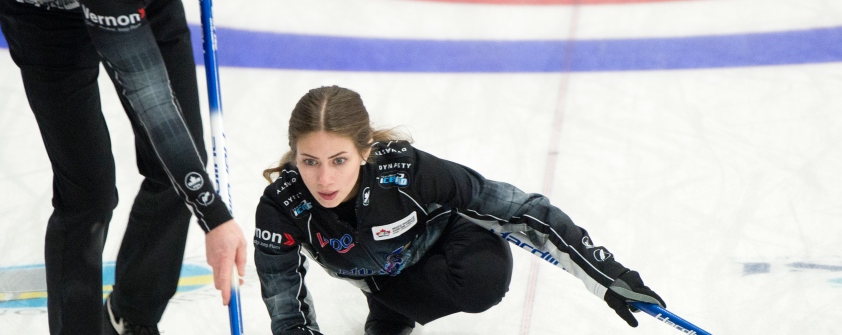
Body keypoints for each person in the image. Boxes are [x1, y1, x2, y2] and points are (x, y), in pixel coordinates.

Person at [0, 0, 246, 335]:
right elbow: (153, 104)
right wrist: (216, 217)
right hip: (49, 16)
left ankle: (131, 317)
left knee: (181, 166)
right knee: (89, 193)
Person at [254, 86, 665, 335]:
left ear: (364, 152)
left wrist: (608, 275)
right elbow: (286, 311)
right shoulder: (281, 208)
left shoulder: (406, 171)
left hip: (445, 242)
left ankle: (393, 306)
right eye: (309, 161)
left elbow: (523, 209)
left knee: (484, 279)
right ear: (294, 156)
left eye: (339, 160)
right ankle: (390, 305)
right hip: (378, 274)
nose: (324, 179)